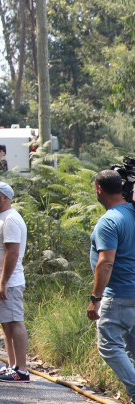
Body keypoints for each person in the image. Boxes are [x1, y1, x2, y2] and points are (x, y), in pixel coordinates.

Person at [87, 170, 135, 397]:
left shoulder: (109, 220)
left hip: (118, 294)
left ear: (99, 189)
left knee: (109, 346)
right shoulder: (132, 213)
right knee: (132, 348)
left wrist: (96, 299)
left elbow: (106, 262)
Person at [0, 181, 30, 383]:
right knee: (6, 323)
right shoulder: (0, 218)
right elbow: (1, 248)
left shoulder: (10, 219)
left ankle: (22, 370)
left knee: (15, 321)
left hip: (8, 282)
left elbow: (12, 252)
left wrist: (3, 283)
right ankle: (12, 366)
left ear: (5, 197)